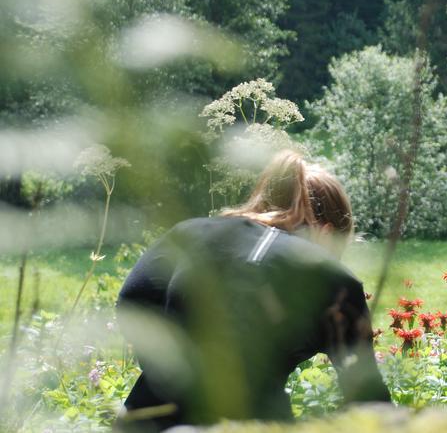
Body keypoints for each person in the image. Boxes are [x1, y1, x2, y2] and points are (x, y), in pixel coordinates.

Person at [115, 150, 390, 431]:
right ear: (325, 231)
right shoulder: (328, 275)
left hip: (146, 417)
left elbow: (132, 299)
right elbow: (368, 399)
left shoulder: (188, 233)